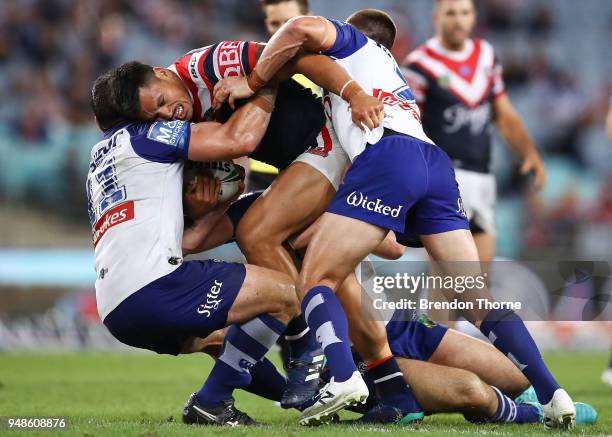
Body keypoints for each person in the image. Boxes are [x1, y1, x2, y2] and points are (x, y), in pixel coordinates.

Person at [214, 9, 576, 429]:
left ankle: (345, 378)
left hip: (388, 156)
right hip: (434, 165)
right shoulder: (390, 77)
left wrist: (255, 81)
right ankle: (553, 394)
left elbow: (299, 30)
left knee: (316, 279)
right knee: (473, 299)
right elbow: (388, 240)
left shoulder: (355, 47)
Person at [88, 71, 303, 426]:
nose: (163, 115)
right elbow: (240, 140)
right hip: (155, 286)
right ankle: (211, 401)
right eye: (154, 108)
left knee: (222, 342)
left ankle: (294, 399)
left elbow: (184, 241)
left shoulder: (99, 161)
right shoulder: (147, 137)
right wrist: (266, 83)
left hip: (115, 308)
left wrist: (207, 209)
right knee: (285, 293)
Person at [402, 0, 547, 324]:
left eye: (465, 13)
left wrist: (529, 153)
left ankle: (460, 355)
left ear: (474, 17)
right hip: (444, 177)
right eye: (451, 13)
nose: (458, 20)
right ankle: (438, 354)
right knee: (446, 278)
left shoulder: (486, 56)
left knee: (477, 279)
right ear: (437, 17)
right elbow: (410, 124)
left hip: (483, 176)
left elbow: (503, 112)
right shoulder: (420, 64)